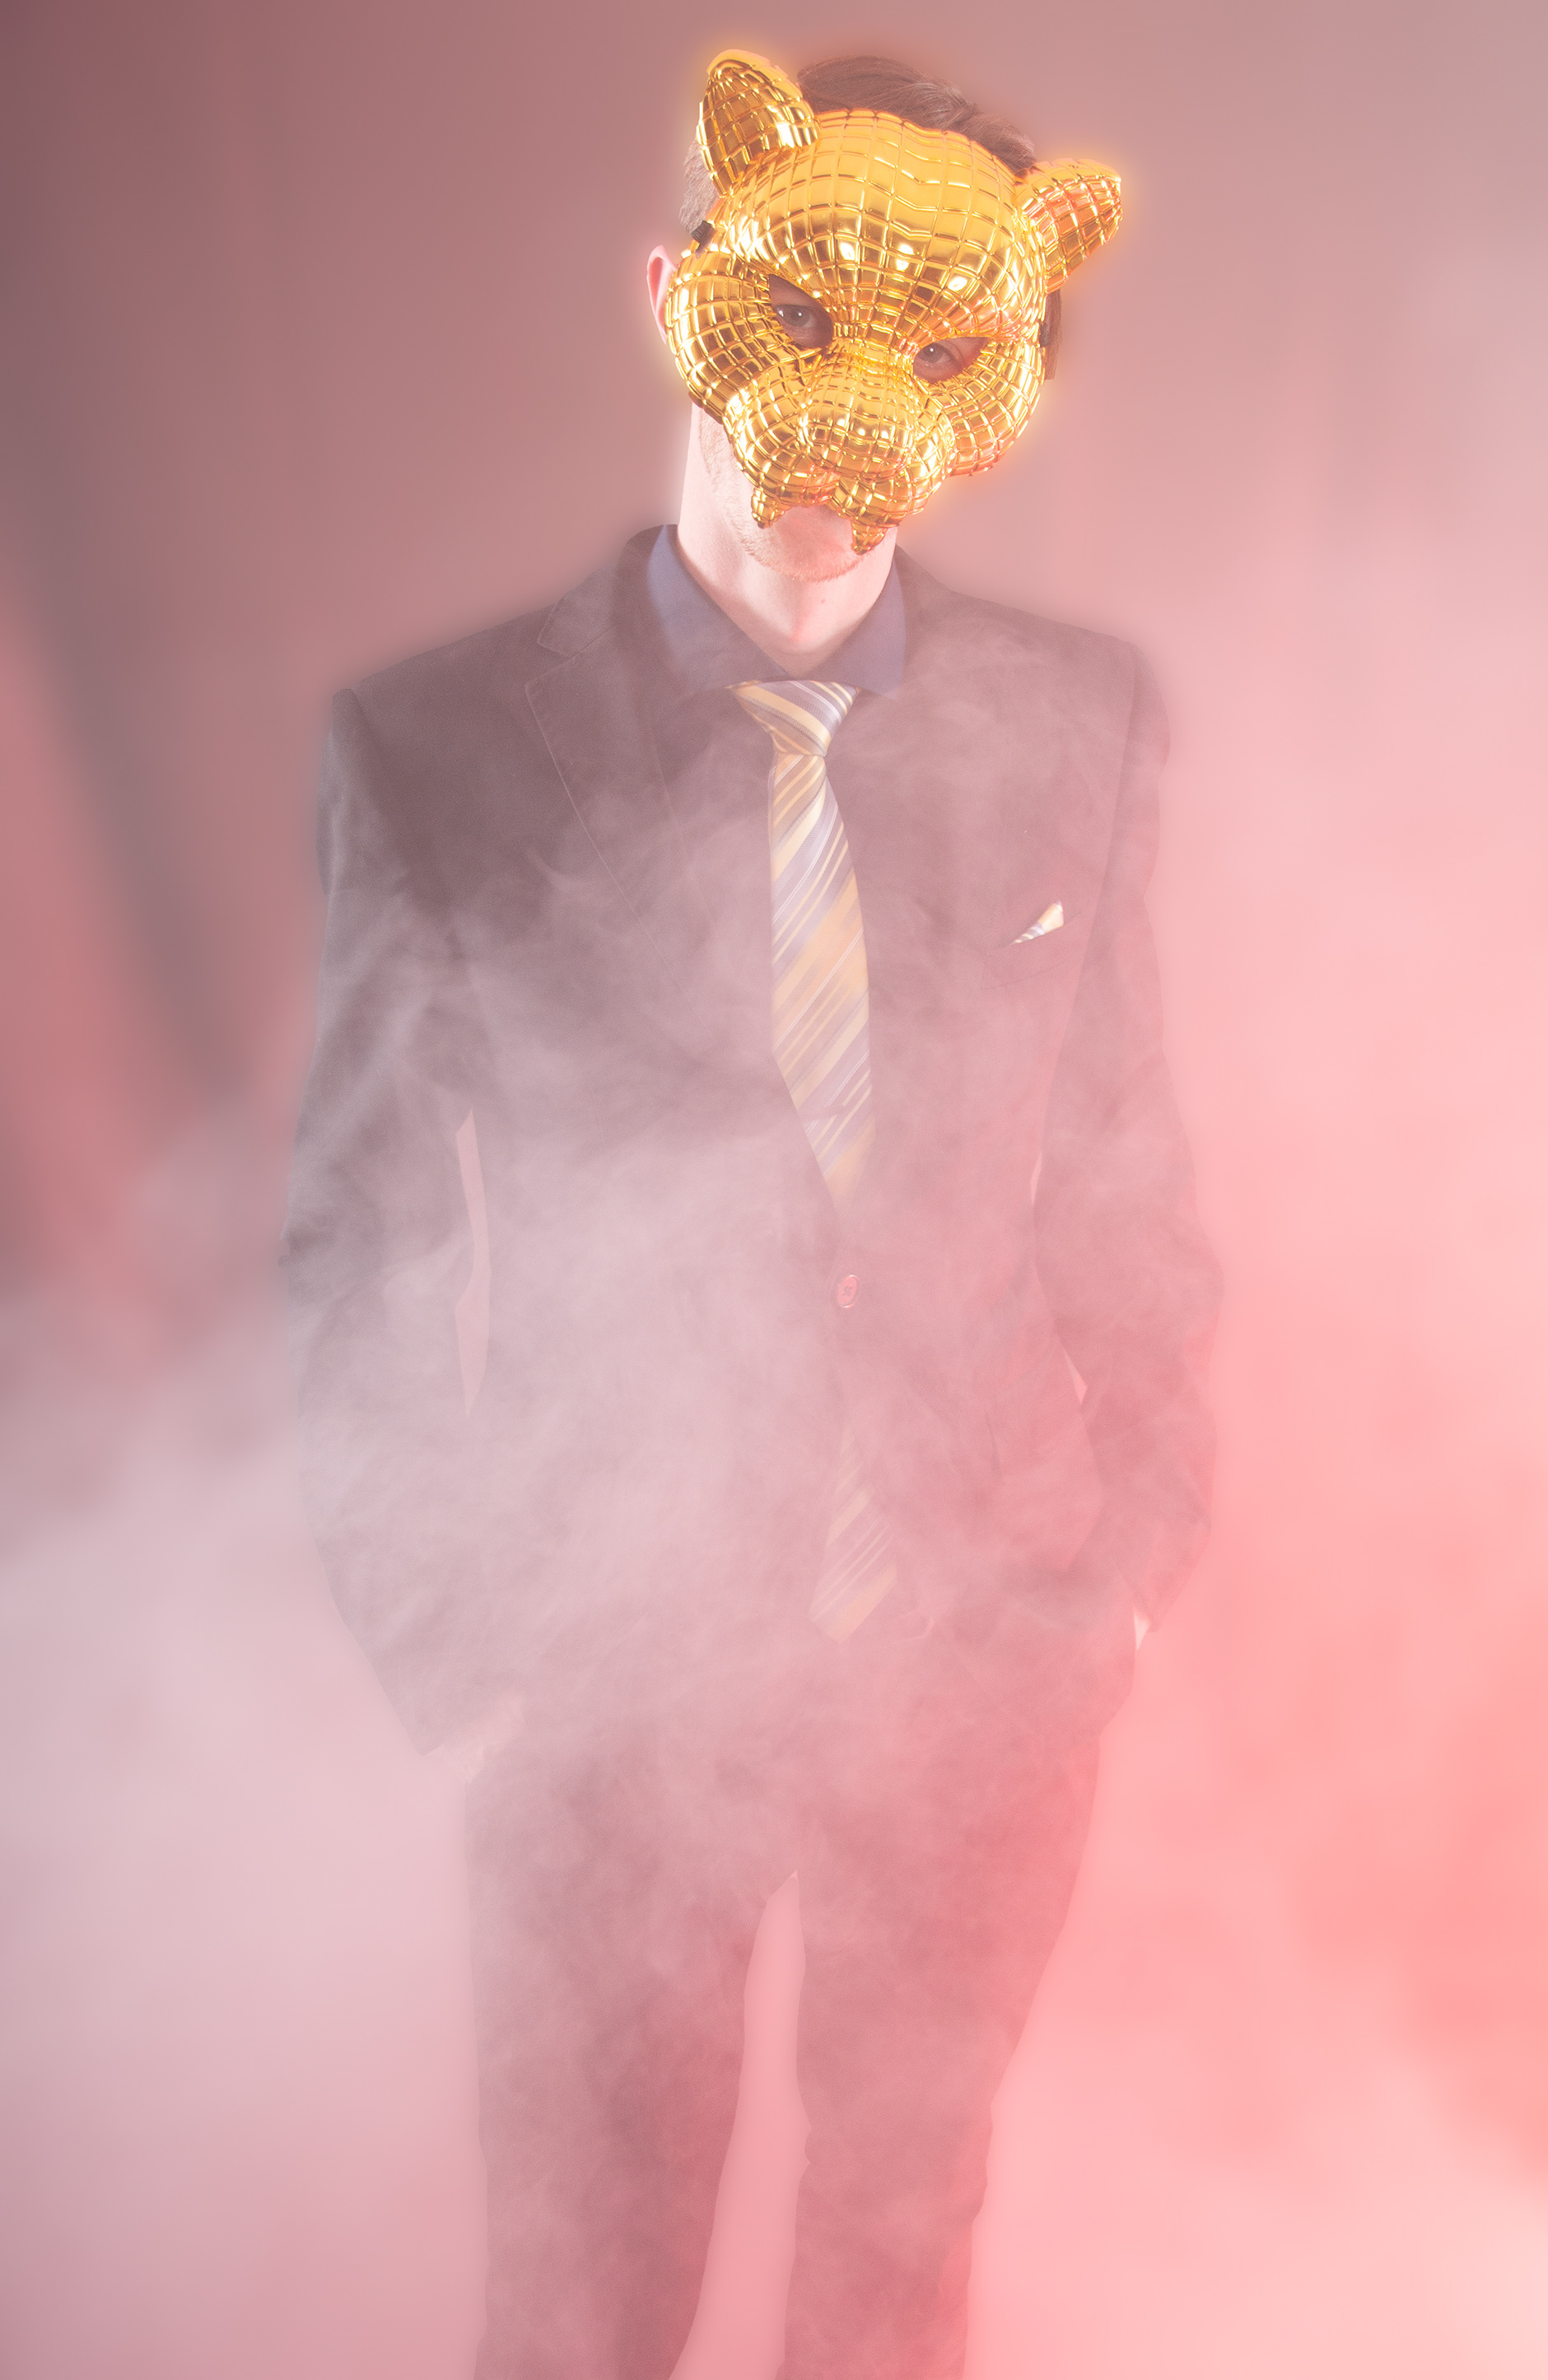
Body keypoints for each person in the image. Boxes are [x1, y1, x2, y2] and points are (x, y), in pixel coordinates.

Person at [282, 48, 1219, 2380]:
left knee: (901, 2258)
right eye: (800, 321)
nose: (848, 423)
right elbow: (366, 1240)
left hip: (982, 1654)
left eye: (939, 353)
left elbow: (1123, 1164)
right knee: (587, 2303)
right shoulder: (439, 753)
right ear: (673, 294)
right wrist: (468, 1640)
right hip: (613, 1676)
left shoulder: (1075, 724)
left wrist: (1120, 1565)